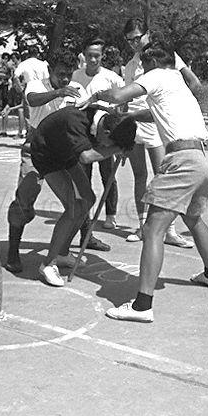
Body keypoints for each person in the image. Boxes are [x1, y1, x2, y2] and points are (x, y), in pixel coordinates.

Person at [86, 38, 208, 323]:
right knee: (193, 218)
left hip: (184, 159)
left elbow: (120, 95)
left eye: (143, 66)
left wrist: (99, 96)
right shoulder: (178, 83)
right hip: (207, 159)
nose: (141, 72)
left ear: (152, 62)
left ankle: (142, 305)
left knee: (153, 229)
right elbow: (153, 113)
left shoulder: (157, 75)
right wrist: (128, 115)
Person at [32, 106, 137, 287]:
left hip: (65, 152)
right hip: (46, 154)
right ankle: (47, 264)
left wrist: (121, 146)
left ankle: (62, 253)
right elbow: (86, 157)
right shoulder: (75, 121)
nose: (105, 146)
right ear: (106, 131)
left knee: (88, 200)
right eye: (108, 142)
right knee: (73, 207)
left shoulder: (109, 119)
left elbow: (99, 146)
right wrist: (115, 148)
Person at [5, 50, 88, 273]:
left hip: (63, 151)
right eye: (60, 74)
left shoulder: (76, 89)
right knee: (24, 200)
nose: (65, 79)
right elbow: (32, 100)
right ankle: (13, 251)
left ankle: (62, 251)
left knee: (83, 199)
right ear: (50, 70)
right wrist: (58, 92)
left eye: (68, 75)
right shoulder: (37, 85)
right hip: (36, 150)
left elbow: (85, 112)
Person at [119, 17, 197, 249]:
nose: (134, 43)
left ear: (147, 34)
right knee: (139, 175)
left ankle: (169, 229)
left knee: (163, 176)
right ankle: (143, 225)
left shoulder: (166, 56)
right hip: (134, 123)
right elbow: (125, 99)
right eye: (129, 40)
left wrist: (174, 109)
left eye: (137, 38)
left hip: (156, 122)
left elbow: (193, 83)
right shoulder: (131, 65)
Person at [70, 38, 123, 237]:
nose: (93, 60)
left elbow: (122, 102)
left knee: (108, 174)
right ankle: (87, 215)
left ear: (102, 57)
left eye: (97, 56)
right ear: (84, 55)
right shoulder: (76, 75)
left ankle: (110, 214)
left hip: (104, 132)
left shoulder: (112, 77)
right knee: (84, 174)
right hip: (82, 131)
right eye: (89, 55)